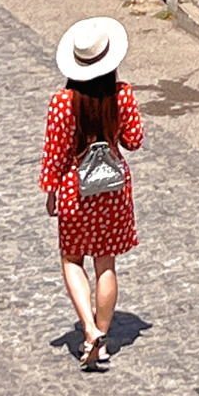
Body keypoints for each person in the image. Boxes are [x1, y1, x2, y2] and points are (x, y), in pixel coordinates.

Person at [40, 18, 143, 369]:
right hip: (112, 191)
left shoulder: (62, 102)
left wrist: (50, 190)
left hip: (74, 190)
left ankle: (88, 328)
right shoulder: (123, 94)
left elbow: (55, 152)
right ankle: (102, 332)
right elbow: (134, 140)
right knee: (106, 263)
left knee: (71, 258)